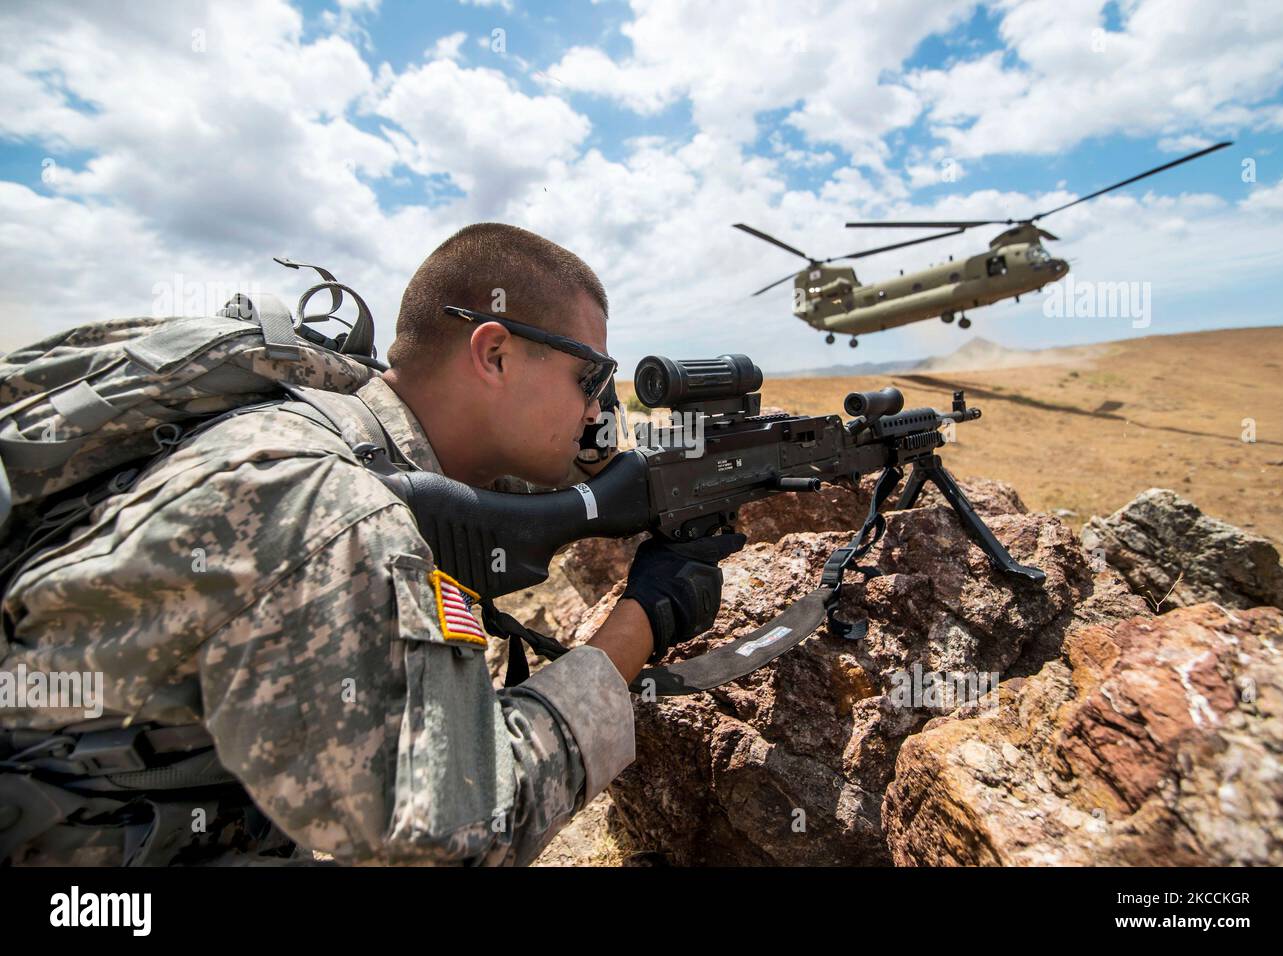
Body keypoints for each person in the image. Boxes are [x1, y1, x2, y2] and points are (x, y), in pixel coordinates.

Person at [0, 223, 739, 865]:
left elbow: (521, 500)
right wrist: (643, 618)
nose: (598, 404)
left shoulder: (340, 426)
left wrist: (653, 464)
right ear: (495, 354)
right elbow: (460, 836)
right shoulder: (337, 510)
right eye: (590, 375)